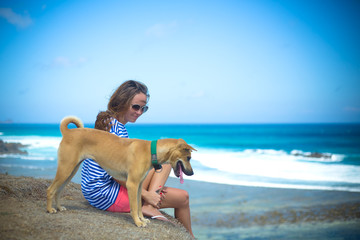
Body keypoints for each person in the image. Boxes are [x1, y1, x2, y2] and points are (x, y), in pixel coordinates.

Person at [81, 80, 194, 237]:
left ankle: (148, 205)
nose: (139, 112)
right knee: (183, 198)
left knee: (164, 162)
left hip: (93, 189)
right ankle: (188, 235)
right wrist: (147, 195)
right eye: (136, 107)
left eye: (143, 108)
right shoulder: (116, 131)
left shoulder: (110, 123)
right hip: (105, 193)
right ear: (122, 102)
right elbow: (117, 174)